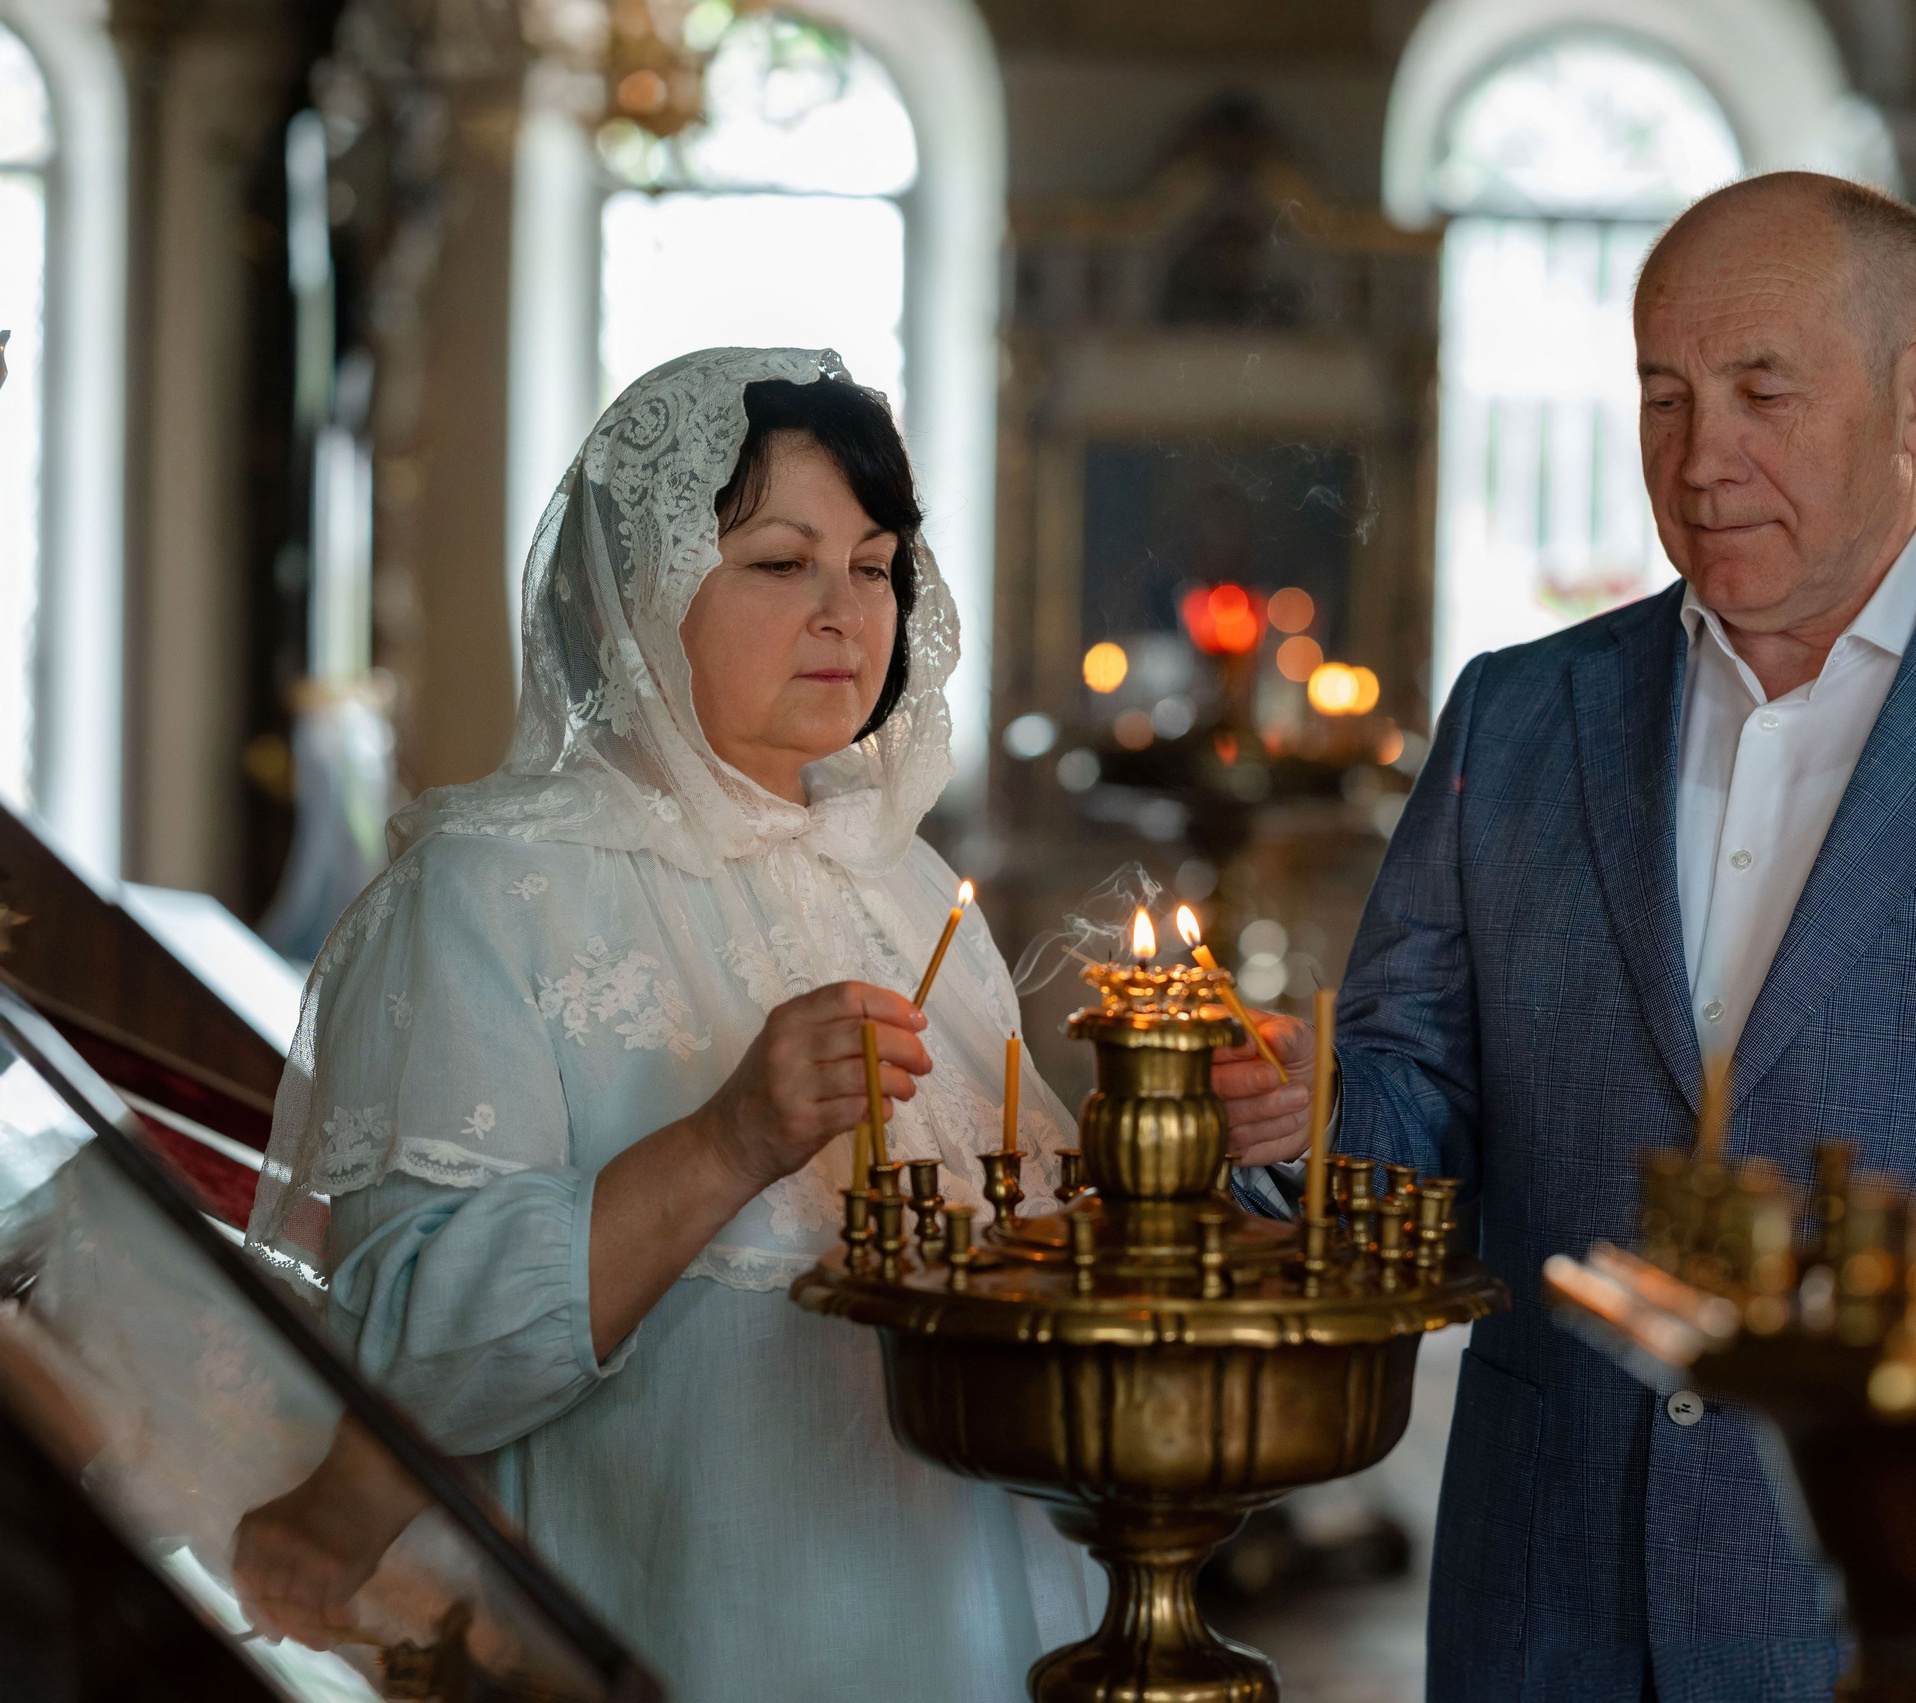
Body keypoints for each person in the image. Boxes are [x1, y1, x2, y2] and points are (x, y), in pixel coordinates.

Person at [1220, 172, 1916, 1700]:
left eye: (1764, 393)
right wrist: (1307, 1117)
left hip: (1912, 1594)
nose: (1701, 460)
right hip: (1543, 1587)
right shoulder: (1519, 713)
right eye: (1664, 397)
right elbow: (1413, 1102)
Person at [239, 348, 1292, 1700]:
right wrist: (727, 1140)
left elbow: (1004, 1265)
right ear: (638, 588)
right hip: (690, 1630)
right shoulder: (491, 889)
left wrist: (1172, 1147)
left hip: (979, 1621)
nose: (846, 614)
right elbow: (409, 1353)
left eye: (876, 566)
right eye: (782, 563)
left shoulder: (899, 882)